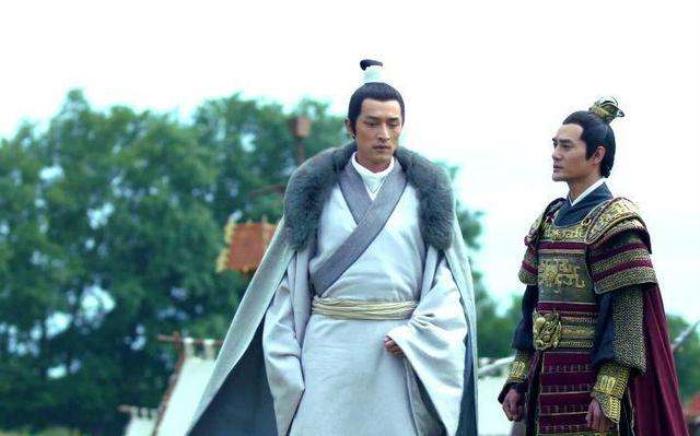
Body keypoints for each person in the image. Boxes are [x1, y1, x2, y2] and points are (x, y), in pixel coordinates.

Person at [188, 59, 478, 436]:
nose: (383, 134)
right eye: (372, 123)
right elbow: (287, 285)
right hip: (327, 350)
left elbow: (447, 285)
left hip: (400, 350)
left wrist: (418, 335)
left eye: (393, 123)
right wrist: (287, 361)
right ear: (350, 126)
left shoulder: (425, 193)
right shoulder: (318, 191)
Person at [499, 97, 687, 435]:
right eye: (555, 145)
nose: (555, 154)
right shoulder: (548, 221)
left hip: (591, 386)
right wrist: (518, 378)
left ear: (597, 155)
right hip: (546, 382)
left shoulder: (616, 223)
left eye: (566, 146)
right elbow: (532, 308)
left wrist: (608, 391)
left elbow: (626, 317)